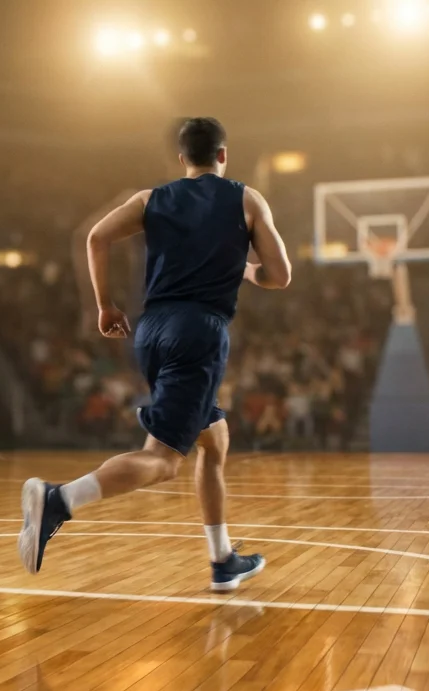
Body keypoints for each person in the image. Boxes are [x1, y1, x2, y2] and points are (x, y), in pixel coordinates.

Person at [17, 117, 291, 591]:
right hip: (199, 332)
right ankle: (58, 500)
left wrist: (103, 306)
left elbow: (95, 237)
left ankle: (223, 558)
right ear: (223, 155)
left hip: (152, 327)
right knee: (163, 461)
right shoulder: (246, 198)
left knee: (214, 439)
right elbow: (281, 274)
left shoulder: (150, 199)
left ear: (182, 158)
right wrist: (248, 273)